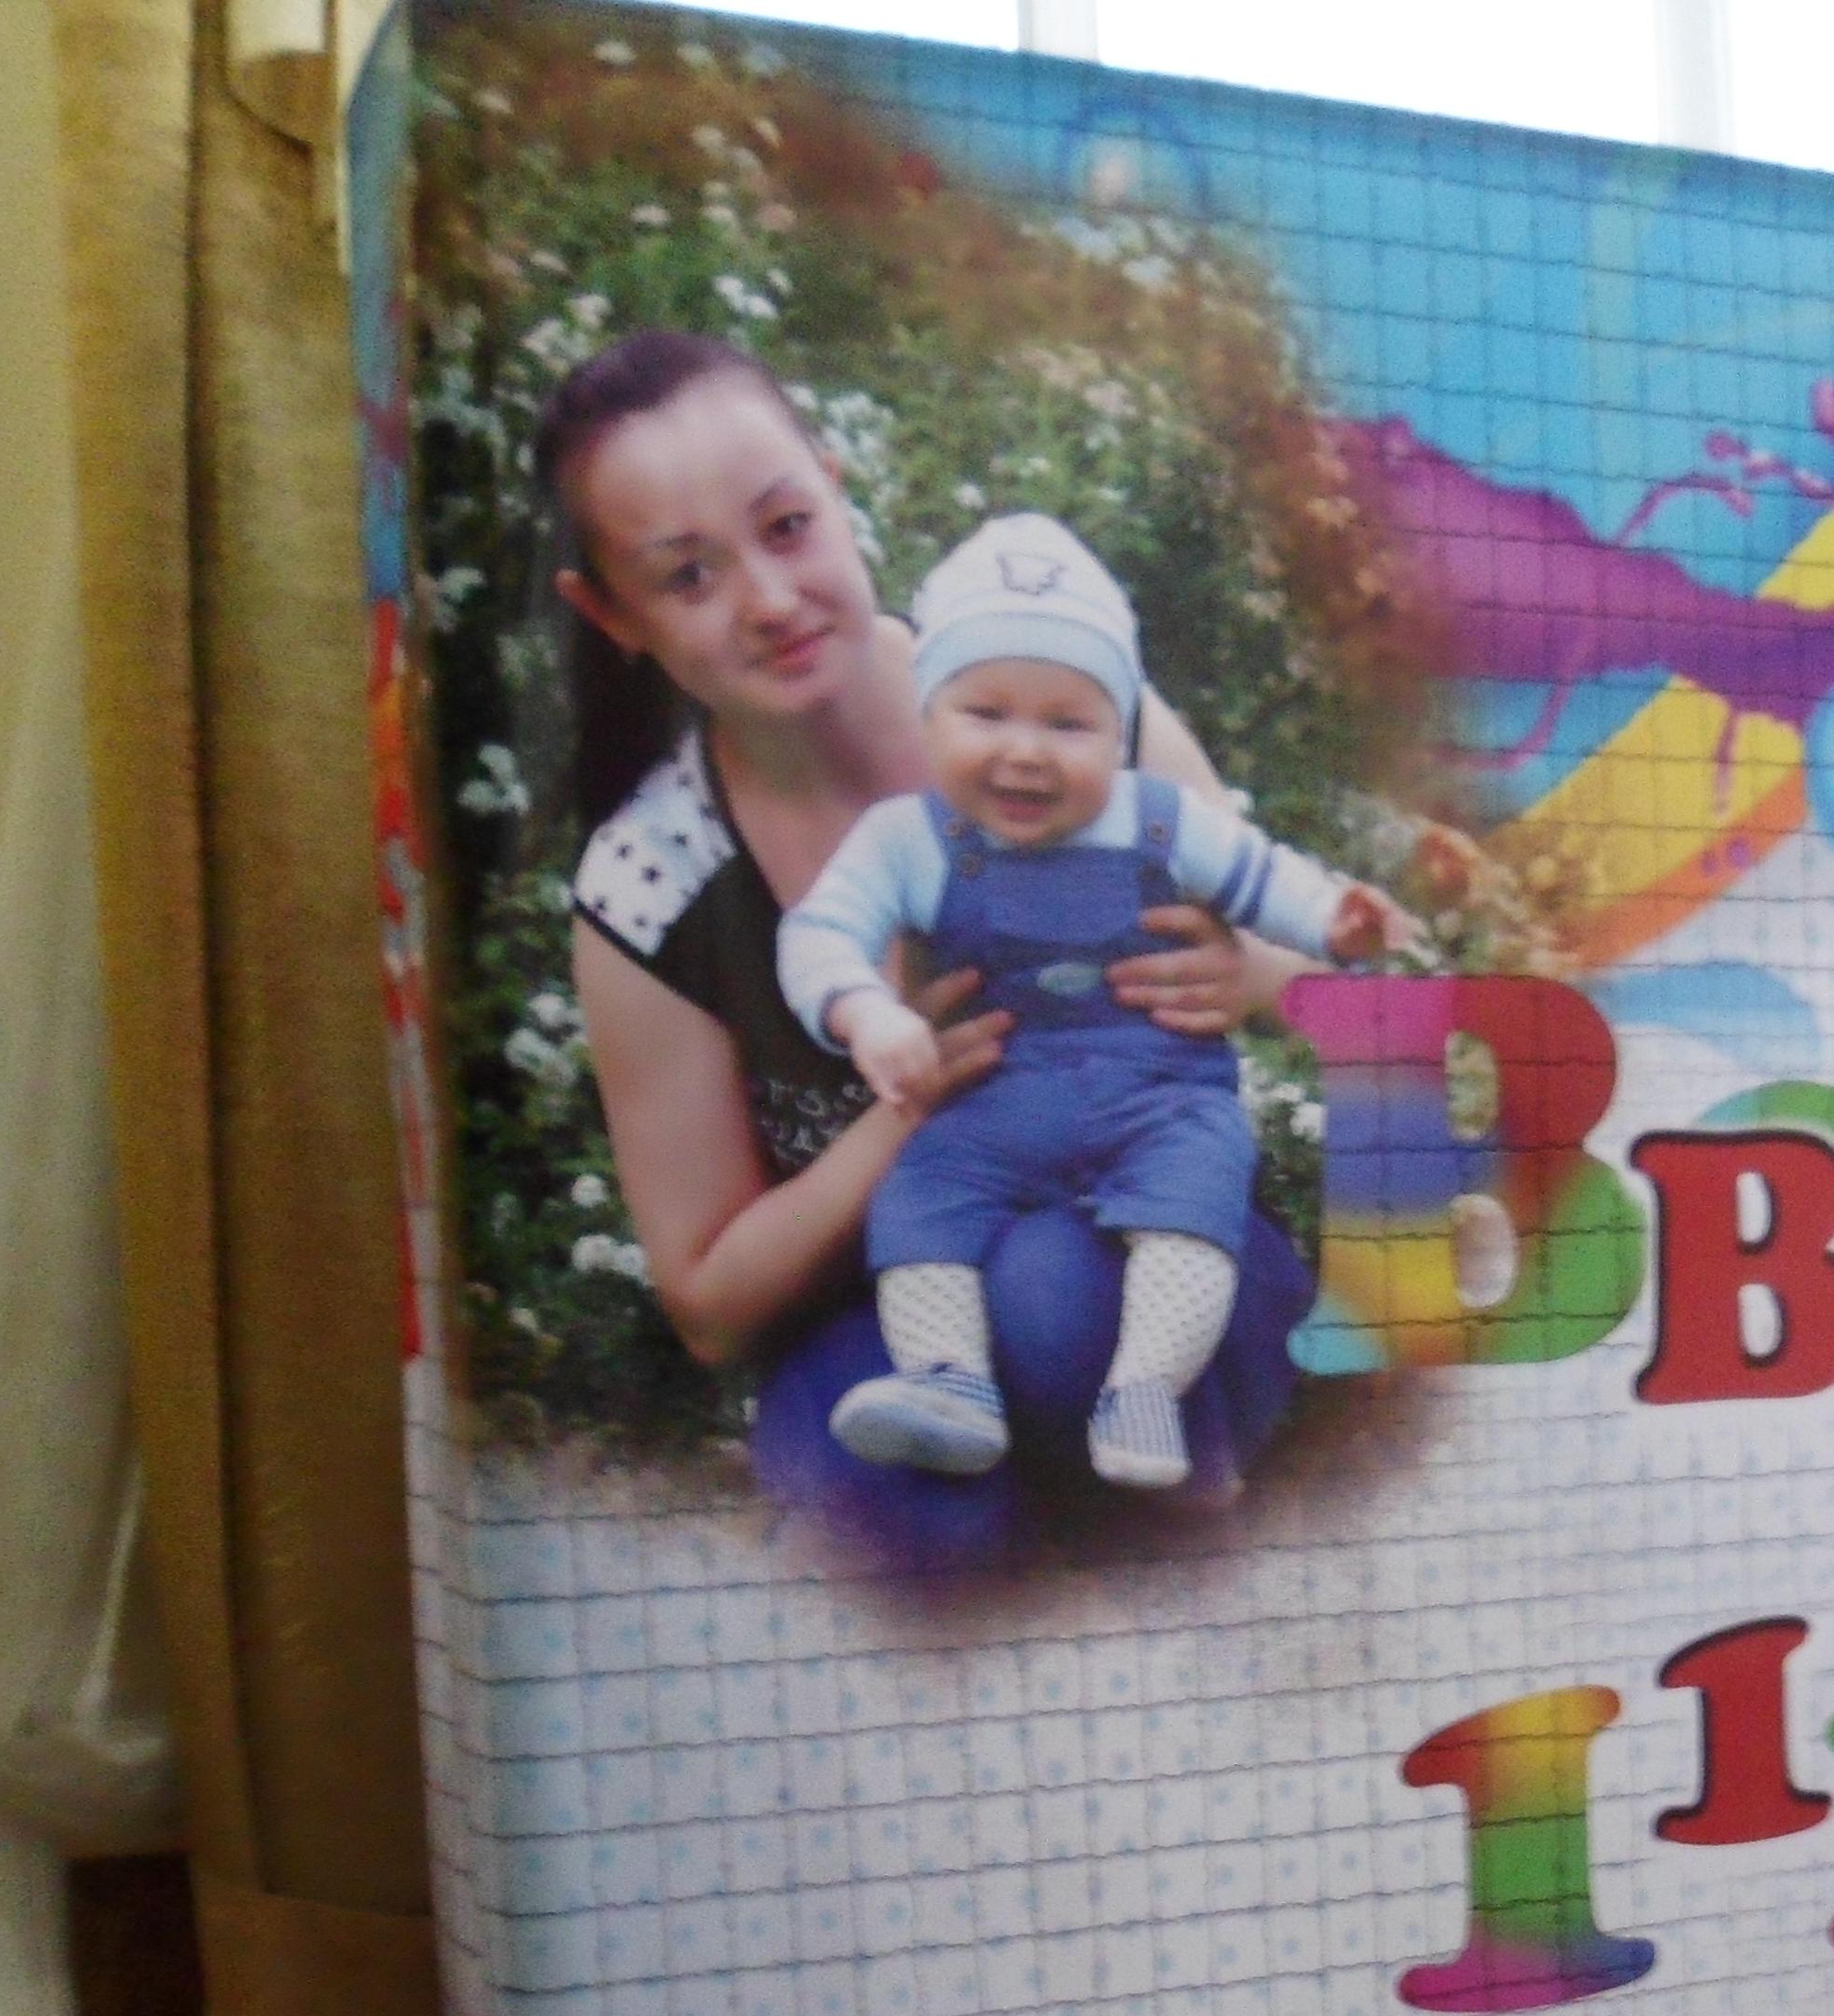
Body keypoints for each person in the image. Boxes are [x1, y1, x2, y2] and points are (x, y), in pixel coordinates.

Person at [536, 329, 1314, 1565]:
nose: (771, 600)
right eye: (688, 576)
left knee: (1054, 1293)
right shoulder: (653, 887)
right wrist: (911, 1102)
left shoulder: (1050, 694)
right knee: (900, 1508)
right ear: (611, 613)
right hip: (889, 1307)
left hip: (1150, 1232)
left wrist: (1249, 974)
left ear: (836, 490)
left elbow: (1311, 959)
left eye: (787, 527)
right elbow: (708, 1302)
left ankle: (1173, 1498)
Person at [777, 514, 1392, 1492]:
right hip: (997, 1101)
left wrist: (1334, 922)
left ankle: (1146, 1389)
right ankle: (949, 1384)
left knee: (1194, 1198)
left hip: (1159, 1098)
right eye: (986, 713)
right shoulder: (909, 839)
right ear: (930, 717)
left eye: (1069, 724)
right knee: (921, 1197)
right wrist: (867, 1011)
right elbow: (817, 934)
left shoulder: (1162, 820)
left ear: (1119, 732)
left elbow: (1264, 878)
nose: (1027, 752)